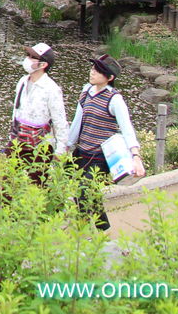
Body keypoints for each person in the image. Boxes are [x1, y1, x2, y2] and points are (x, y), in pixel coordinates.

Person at [65, 54, 146, 230]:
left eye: (98, 71)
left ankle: (84, 232)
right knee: (84, 192)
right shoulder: (86, 92)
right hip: (82, 152)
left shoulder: (114, 99)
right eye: (93, 68)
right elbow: (78, 121)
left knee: (85, 190)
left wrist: (135, 155)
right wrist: (67, 146)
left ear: (109, 78)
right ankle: (102, 228)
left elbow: (127, 128)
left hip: (100, 156)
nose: (92, 72)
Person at [6, 43, 68, 185]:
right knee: (6, 182)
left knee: (36, 185)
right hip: (18, 139)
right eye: (28, 55)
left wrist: (60, 149)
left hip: (40, 145)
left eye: (33, 57)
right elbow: (16, 109)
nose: (28, 59)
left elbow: (60, 120)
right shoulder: (22, 81)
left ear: (43, 64)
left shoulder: (52, 89)